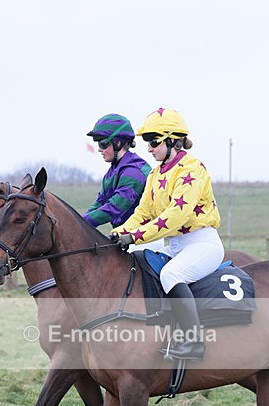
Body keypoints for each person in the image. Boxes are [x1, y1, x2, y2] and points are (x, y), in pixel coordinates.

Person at [110, 108, 224, 361]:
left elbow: (175, 217)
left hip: (202, 244)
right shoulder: (155, 174)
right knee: (133, 257)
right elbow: (142, 213)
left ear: (172, 141)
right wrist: (117, 234)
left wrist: (136, 236)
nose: (148, 149)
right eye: (147, 143)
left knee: (172, 273)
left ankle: (194, 343)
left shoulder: (192, 169)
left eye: (153, 142)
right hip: (174, 245)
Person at [83, 114, 151, 229]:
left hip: (142, 238)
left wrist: (81, 223)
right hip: (124, 234)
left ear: (118, 143)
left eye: (102, 144)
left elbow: (115, 208)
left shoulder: (133, 172)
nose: (99, 149)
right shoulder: (113, 170)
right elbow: (100, 203)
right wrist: (77, 220)